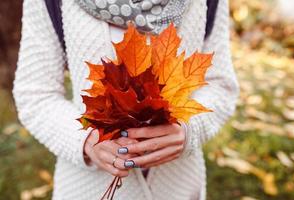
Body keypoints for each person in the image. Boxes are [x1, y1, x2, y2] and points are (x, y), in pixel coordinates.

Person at [13, 0, 239, 199]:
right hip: (88, 188)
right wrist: (85, 141)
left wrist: (191, 131)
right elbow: (35, 94)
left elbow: (221, 85)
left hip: (178, 185)